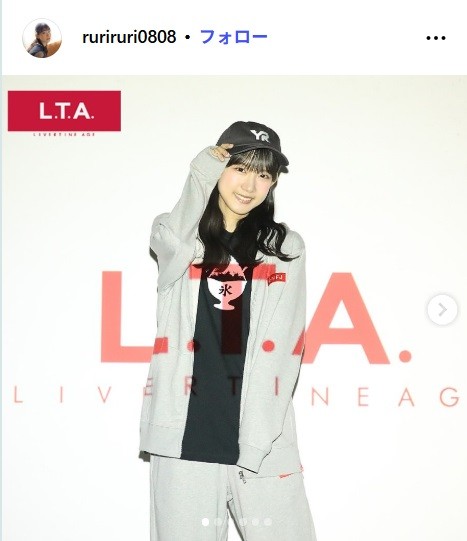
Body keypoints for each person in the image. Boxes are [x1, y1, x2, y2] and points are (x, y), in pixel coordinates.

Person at [140, 121, 318, 540]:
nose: (250, 185)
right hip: (184, 437)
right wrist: (200, 172)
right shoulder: (179, 237)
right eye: (240, 168)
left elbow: (284, 348)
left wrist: (256, 442)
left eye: (263, 174)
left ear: (272, 183)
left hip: (262, 438)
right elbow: (173, 238)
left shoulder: (284, 248)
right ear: (219, 169)